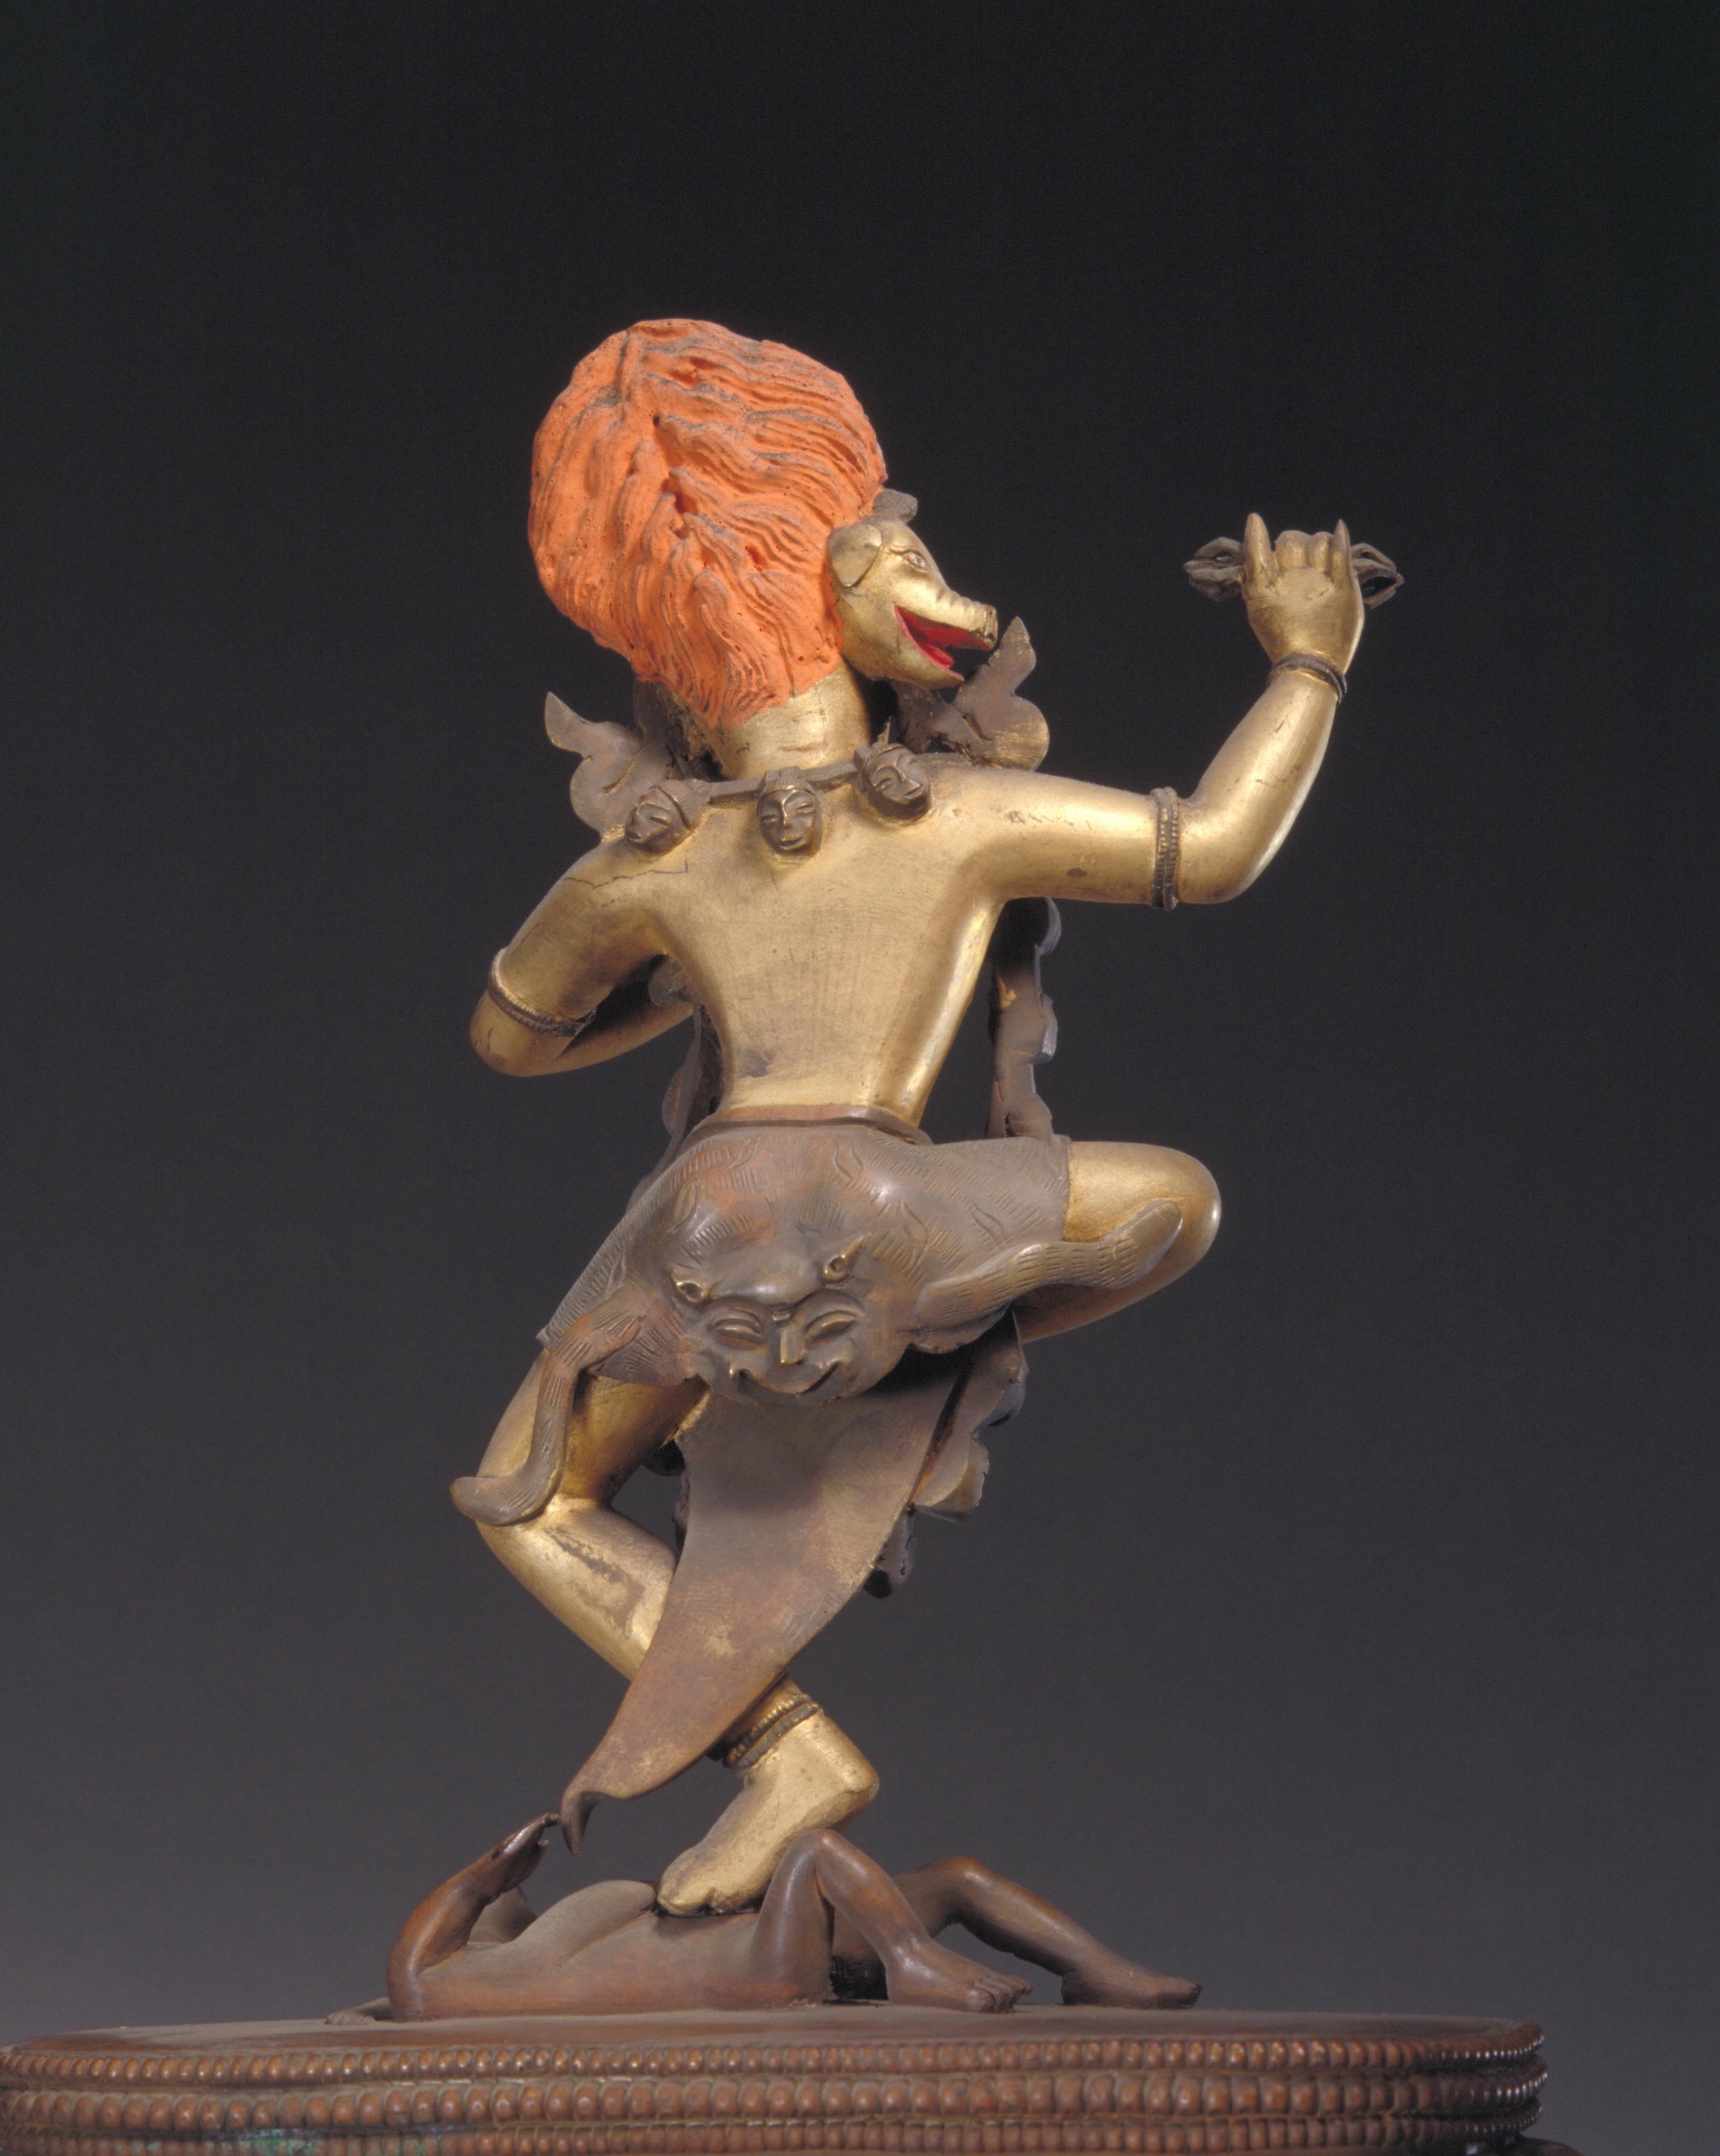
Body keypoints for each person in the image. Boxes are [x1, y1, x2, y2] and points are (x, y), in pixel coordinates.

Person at [467, 319, 1367, 1917]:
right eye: (902, 556)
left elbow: (509, 1038)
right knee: (1173, 1200)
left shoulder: (648, 861)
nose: (946, 592)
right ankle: (922, 1349)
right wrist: (1308, 662)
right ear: (829, 585)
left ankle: (790, 1750)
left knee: (531, 1500)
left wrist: (688, 983)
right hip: (885, 1212)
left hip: (695, 1231)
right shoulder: (955, 811)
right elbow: (1215, 847)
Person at [386, 1818, 1200, 2020]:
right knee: (813, 1852)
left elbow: (495, 1917)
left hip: (771, 1942)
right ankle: (912, 1964)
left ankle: (1097, 1972)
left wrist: (496, 1887)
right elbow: (412, 1976)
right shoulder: (452, 1990)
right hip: (758, 1974)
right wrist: (478, 1878)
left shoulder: (521, 1951)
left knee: (954, 1878)